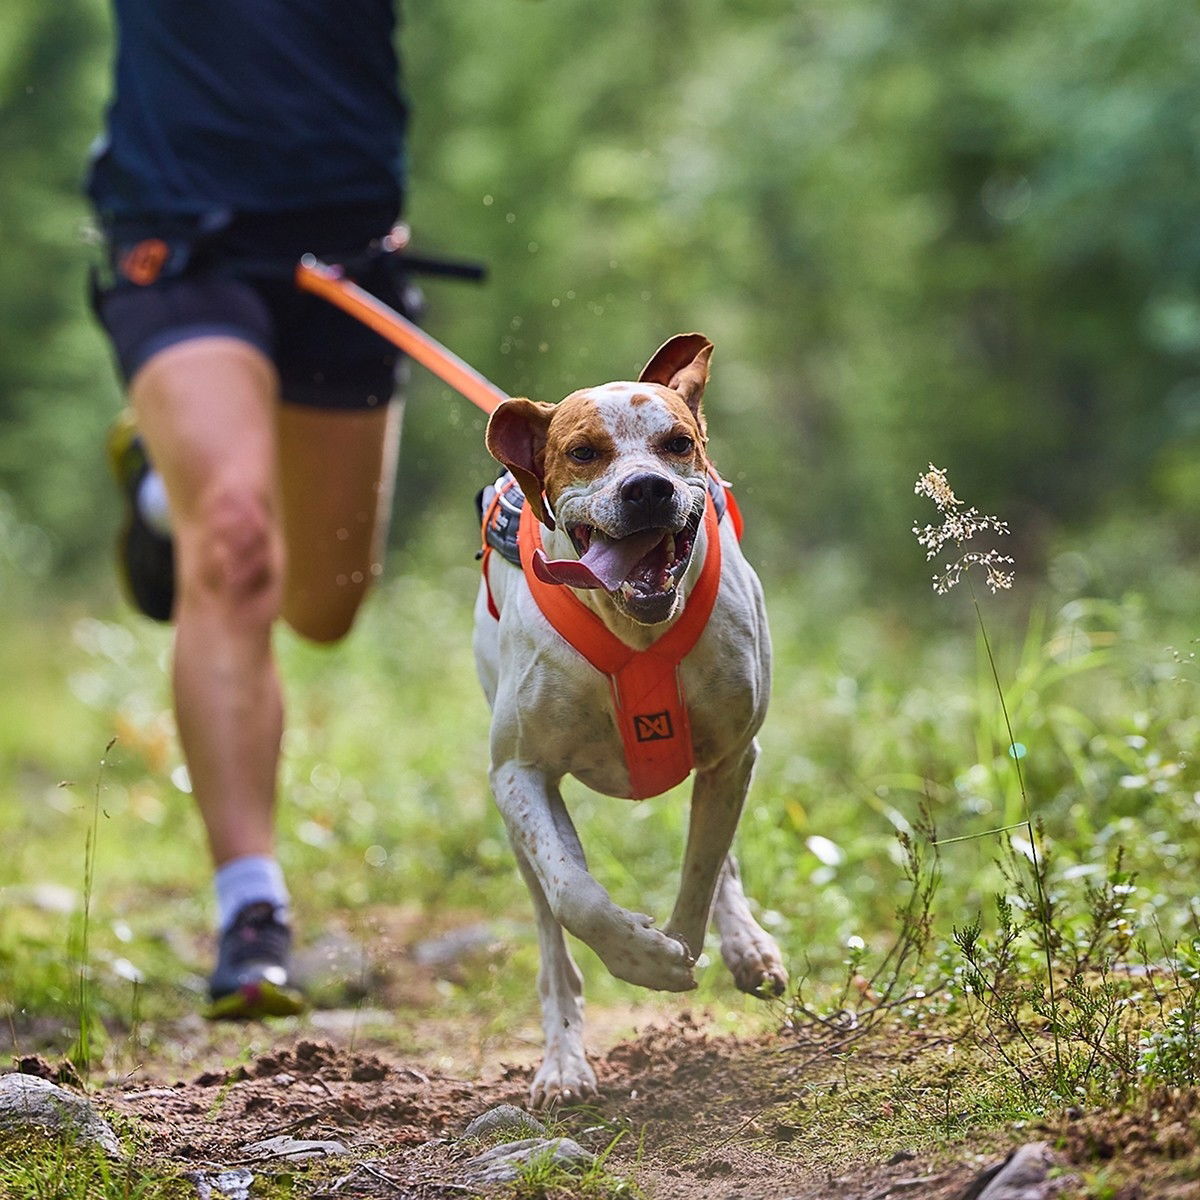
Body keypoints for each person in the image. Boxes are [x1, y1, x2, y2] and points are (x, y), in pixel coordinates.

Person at [87, 0, 411, 1018]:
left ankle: (160, 485)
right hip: (176, 225)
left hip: (346, 233)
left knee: (323, 603)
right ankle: (250, 909)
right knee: (234, 544)